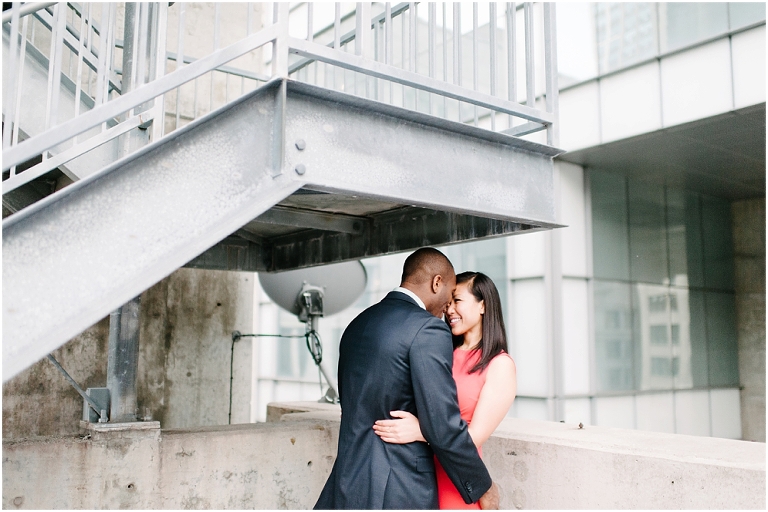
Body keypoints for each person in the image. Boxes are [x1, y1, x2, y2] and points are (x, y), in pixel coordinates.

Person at [314, 248, 500, 510]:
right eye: (449, 297)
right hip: (399, 487)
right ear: (437, 283)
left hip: (348, 481)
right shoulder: (427, 329)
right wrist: (484, 487)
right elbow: (443, 424)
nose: (448, 309)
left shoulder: (358, 323)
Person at [373, 271, 517, 509]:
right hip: (417, 476)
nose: (449, 310)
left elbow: (472, 439)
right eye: (448, 303)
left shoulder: (500, 365)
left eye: (457, 301)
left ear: (483, 305)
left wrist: (421, 431)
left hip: (457, 481)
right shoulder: (442, 354)